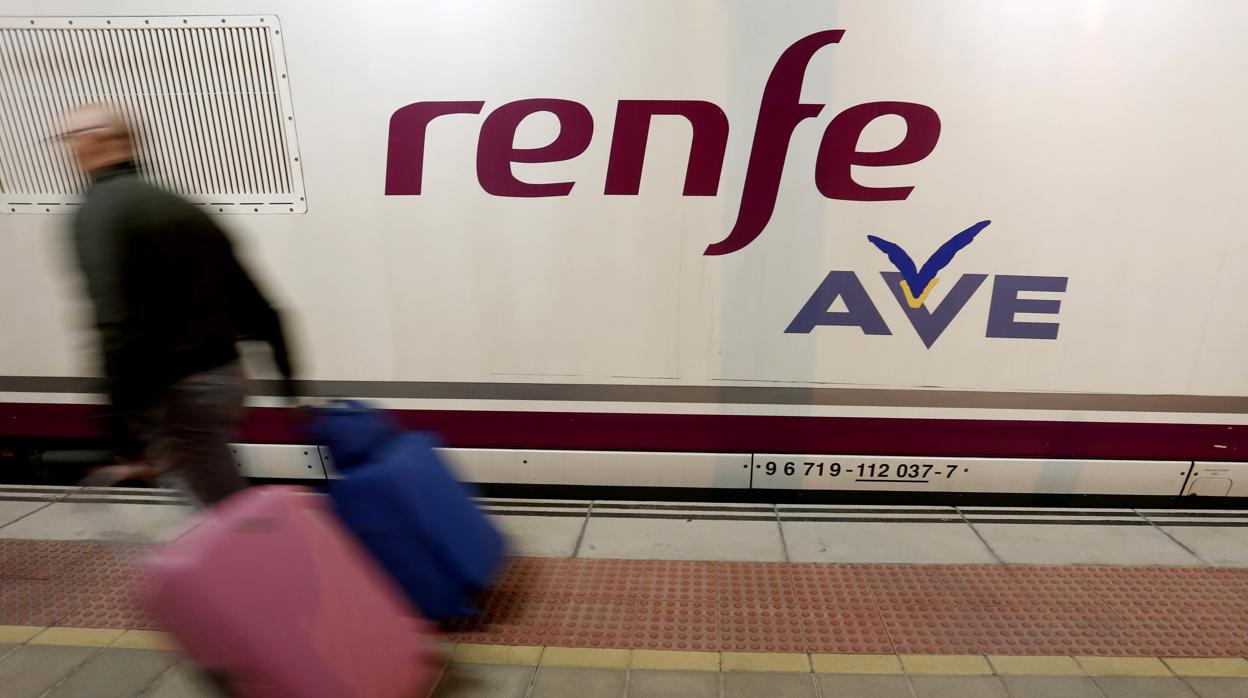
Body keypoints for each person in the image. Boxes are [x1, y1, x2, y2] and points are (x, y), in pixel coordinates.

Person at [60, 103, 296, 505]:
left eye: (69, 140)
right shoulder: (178, 202)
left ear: (93, 142)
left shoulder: (99, 212)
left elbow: (116, 324)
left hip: (181, 392)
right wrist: (289, 378)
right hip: (226, 377)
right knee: (218, 500)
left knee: (224, 516)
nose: (68, 151)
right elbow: (255, 299)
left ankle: (276, 565)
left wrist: (119, 426)